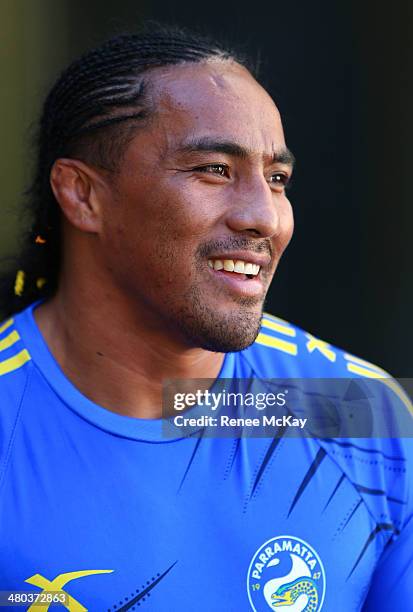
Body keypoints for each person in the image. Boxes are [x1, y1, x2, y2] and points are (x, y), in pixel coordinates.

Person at [0, 23, 411, 612]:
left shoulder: (362, 417)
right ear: (83, 195)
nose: (264, 218)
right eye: (214, 169)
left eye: (277, 179)